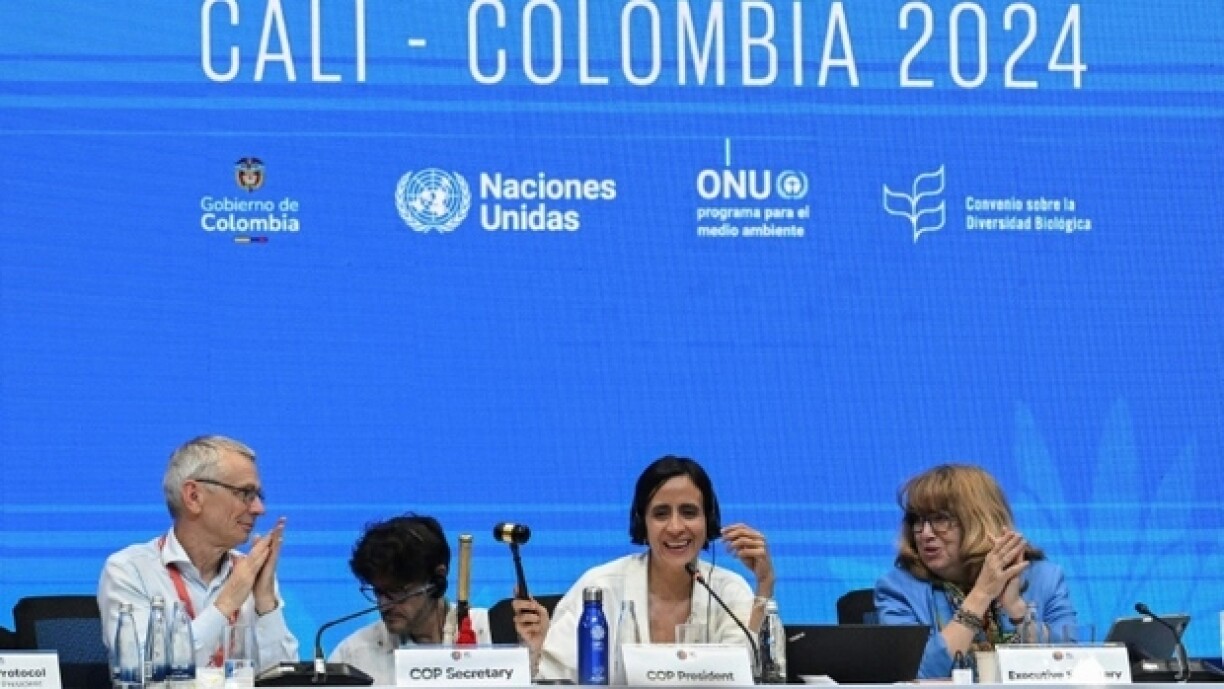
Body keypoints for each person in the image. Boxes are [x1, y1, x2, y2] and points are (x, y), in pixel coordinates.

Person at [521, 455, 775, 682]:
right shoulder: (600, 586)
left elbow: (746, 675)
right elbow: (554, 674)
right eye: (661, 514)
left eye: (688, 512)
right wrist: (539, 646)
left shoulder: (728, 590)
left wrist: (764, 584)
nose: (675, 527)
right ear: (642, 522)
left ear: (708, 520)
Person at [98, 435, 299, 670]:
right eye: (246, 493)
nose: (259, 509)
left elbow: (285, 679)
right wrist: (227, 602)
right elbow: (148, 673)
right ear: (194, 497)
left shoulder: (251, 573)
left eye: (258, 496)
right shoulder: (130, 571)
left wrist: (266, 602)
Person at [874, 463, 1077, 678]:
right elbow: (916, 673)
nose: (925, 534)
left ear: (979, 520)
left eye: (940, 519)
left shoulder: (1044, 578)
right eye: (918, 520)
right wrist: (981, 594)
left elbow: (1070, 665)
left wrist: (1017, 610)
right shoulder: (898, 589)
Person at [329, 514, 491, 685]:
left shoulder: (491, 634)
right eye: (378, 592)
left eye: (397, 591)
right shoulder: (354, 656)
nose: (384, 605)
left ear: (437, 580)